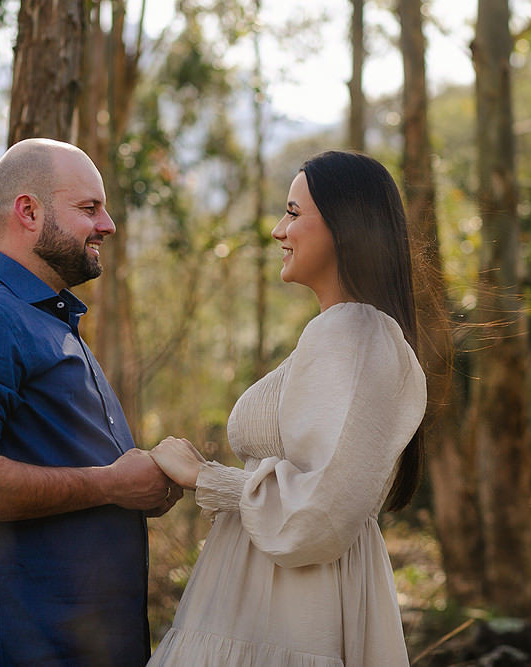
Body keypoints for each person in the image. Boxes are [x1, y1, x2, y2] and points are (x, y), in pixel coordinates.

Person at [147, 150, 428, 666]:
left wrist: (205, 478)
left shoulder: (356, 332)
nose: (279, 230)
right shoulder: (342, 332)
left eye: (294, 213)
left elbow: (319, 511)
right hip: (267, 595)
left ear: (346, 226)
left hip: (295, 605)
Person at [0, 138, 182, 666]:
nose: (108, 225)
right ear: (28, 211)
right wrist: (111, 484)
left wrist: (139, 486)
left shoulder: (42, 317)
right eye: (89, 208)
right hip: (19, 646)